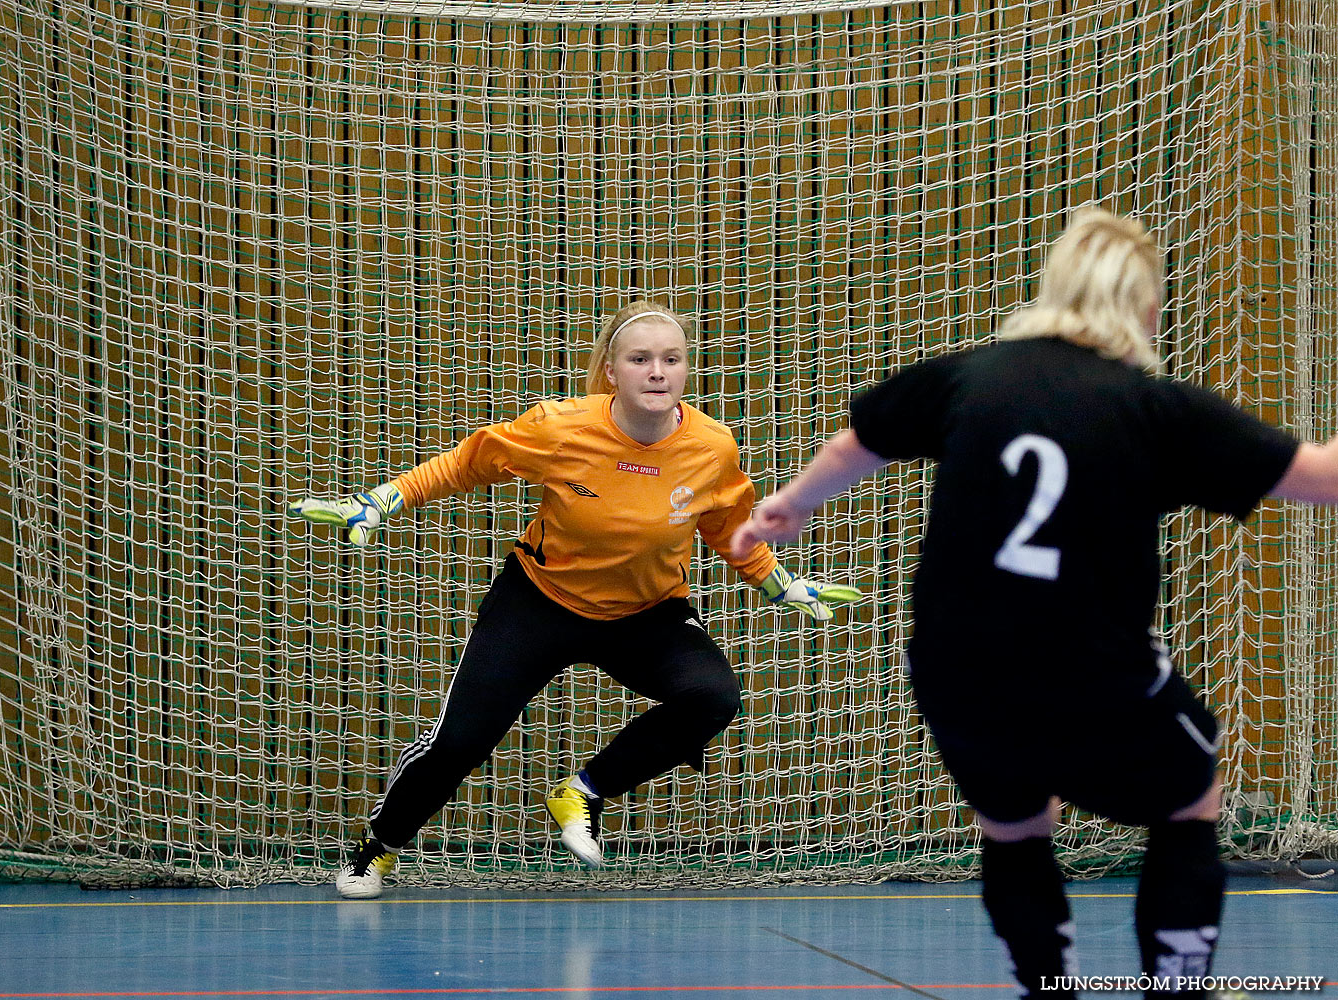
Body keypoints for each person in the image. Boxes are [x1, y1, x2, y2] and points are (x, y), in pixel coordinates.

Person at [730, 207, 1337, 998]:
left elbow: (859, 441)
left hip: (958, 672)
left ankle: (1048, 988)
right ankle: (1179, 988)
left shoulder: (968, 375)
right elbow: (1319, 479)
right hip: (1090, 668)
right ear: (1142, 307)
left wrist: (791, 506)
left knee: (1015, 825)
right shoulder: (1153, 408)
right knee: (1191, 798)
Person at [290, 299, 861, 899]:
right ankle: (377, 849)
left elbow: (727, 529)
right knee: (459, 742)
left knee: (712, 695)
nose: (657, 372)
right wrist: (385, 500)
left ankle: (584, 791)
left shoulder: (713, 449)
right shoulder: (561, 428)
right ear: (612, 371)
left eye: (672, 359)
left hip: (646, 613)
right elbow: (469, 462)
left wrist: (779, 583)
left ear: (688, 370)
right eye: (640, 359)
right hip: (540, 600)